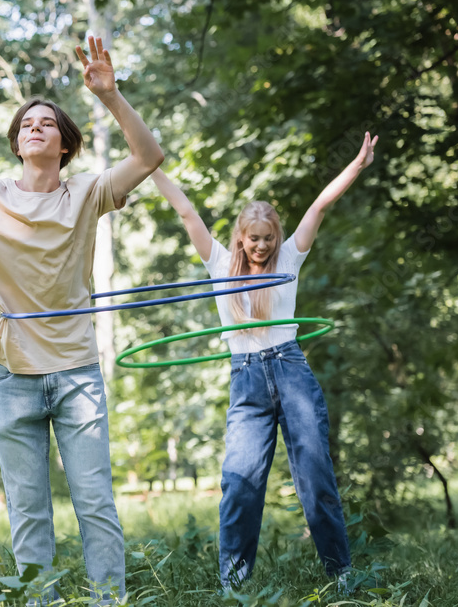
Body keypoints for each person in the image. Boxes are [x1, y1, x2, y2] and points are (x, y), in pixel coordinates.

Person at [0, 36, 165, 605]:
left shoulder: (87, 193)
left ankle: (108, 601)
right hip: (12, 372)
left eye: (47, 122)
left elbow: (148, 157)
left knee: (94, 499)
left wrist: (111, 95)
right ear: (18, 143)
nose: (34, 127)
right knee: (26, 506)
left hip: (75, 369)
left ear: (65, 144)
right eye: (26, 124)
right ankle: (39, 600)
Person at [148, 132, 378, 590]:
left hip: (292, 372)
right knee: (239, 484)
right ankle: (234, 584)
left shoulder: (289, 257)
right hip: (247, 380)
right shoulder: (217, 263)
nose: (261, 246)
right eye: (254, 238)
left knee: (317, 481)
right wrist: (148, 165)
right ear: (240, 235)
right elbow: (186, 210)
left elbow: (317, 208)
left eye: (268, 238)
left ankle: (342, 575)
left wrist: (356, 165)